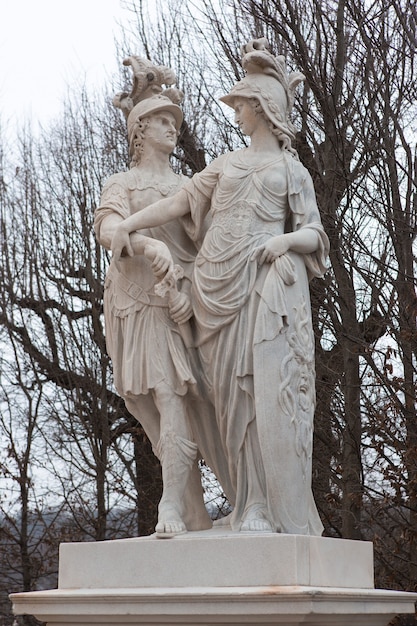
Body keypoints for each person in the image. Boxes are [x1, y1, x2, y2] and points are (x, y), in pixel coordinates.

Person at [111, 40, 330, 535]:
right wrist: (131, 225)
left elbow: (315, 233)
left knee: (259, 395)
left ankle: (262, 508)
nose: (236, 112)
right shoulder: (227, 164)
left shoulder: (290, 170)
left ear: (262, 108)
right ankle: (246, 501)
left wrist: (284, 241)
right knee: (230, 402)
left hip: (259, 288)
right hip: (214, 294)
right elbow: (180, 204)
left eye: (242, 105)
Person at [94, 92, 212, 536]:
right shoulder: (121, 183)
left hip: (174, 304)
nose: (172, 127)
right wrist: (147, 243)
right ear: (140, 130)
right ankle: (194, 507)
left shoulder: (189, 185)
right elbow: (109, 229)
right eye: (162, 119)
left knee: (170, 394)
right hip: (129, 303)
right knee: (145, 406)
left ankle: (171, 507)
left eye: (174, 120)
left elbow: (208, 244)